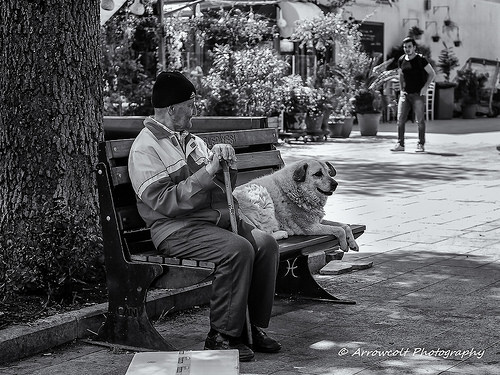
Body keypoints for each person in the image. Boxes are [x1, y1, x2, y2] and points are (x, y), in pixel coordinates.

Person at [128, 71, 281, 362]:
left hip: (211, 221)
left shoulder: (193, 141)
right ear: (172, 109)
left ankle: (252, 328)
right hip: (175, 229)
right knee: (237, 250)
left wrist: (227, 165)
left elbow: (222, 189)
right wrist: (207, 172)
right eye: (190, 104)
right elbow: (164, 202)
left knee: (266, 245)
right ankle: (222, 335)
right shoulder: (145, 148)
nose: (194, 110)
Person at [391, 37, 436, 153]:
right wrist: (401, 90)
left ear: (414, 47)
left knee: (420, 120)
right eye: (405, 47)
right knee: (400, 119)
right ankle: (400, 144)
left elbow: (432, 74)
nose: (407, 49)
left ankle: (421, 144)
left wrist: (425, 87)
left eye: (409, 47)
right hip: (405, 94)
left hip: (418, 94)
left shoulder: (421, 60)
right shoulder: (401, 60)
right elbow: (400, 75)